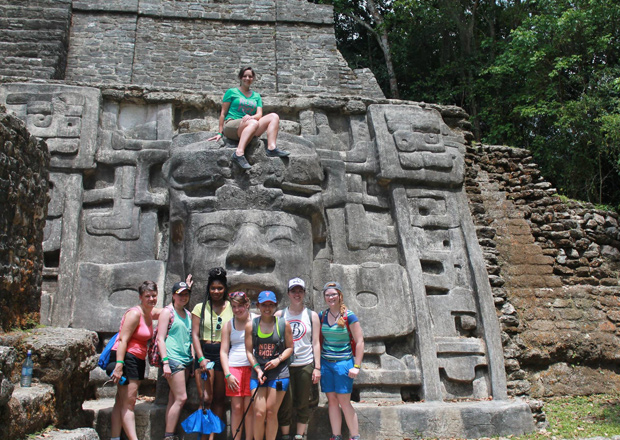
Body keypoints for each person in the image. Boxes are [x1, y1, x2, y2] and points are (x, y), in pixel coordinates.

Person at [208, 66, 289, 170]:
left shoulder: (256, 96)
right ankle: (238, 153)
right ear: (240, 77)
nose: (247, 78)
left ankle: (271, 148)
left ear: (253, 78)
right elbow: (223, 113)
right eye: (245, 76)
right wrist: (219, 132)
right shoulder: (231, 92)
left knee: (274, 116)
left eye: (250, 76)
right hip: (232, 124)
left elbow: (259, 115)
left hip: (250, 125)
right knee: (253, 123)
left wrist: (251, 117)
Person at [107, 281, 158, 440]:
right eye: (147, 296)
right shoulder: (135, 314)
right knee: (129, 403)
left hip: (137, 358)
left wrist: (184, 290)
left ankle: (115, 438)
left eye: (154, 295)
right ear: (140, 297)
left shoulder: (149, 312)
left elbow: (169, 309)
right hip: (127, 358)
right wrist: (119, 366)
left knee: (120, 401)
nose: (151, 299)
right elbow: (123, 340)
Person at [276, 277, 321, 440]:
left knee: (303, 402)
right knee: (285, 403)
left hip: (305, 363)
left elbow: (315, 342)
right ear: (288, 293)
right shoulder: (280, 314)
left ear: (304, 293)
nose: (297, 294)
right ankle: (285, 435)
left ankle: (299, 435)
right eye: (294, 291)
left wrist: (317, 367)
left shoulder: (311, 315)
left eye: (300, 291)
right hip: (285, 366)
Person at [245, 290, 294, 440]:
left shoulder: (283, 324)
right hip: (259, 372)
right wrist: (258, 370)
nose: (267, 308)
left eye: (271, 305)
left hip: (279, 372)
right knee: (259, 413)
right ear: (258, 305)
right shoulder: (251, 326)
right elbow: (249, 351)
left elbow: (290, 348)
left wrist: (278, 360)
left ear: (275, 305)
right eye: (264, 305)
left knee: (272, 412)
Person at [191, 267, 233, 439]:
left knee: (219, 400)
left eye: (220, 288)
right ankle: (202, 436)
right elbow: (194, 334)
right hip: (204, 351)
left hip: (223, 353)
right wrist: (200, 357)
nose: (216, 291)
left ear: (225, 289)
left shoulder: (231, 306)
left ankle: (213, 437)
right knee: (205, 399)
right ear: (208, 289)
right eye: (213, 288)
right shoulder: (200, 307)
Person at [319, 282, 365, 440]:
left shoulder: (348, 315)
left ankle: (354, 436)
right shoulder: (322, 315)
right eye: (327, 295)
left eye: (333, 294)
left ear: (340, 296)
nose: (331, 297)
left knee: (344, 401)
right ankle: (336, 435)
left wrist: (357, 366)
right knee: (331, 400)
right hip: (326, 363)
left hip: (343, 363)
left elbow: (360, 342)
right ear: (324, 297)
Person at [157, 281, 193, 440]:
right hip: (172, 359)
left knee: (173, 398)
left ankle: (169, 433)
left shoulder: (189, 314)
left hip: (185, 360)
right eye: (180, 294)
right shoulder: (167, 312)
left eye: (186, 294)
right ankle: (169, 435)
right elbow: (160, 339)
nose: (183, 297)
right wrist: (165, 362)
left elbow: (190, 338)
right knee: (181, 397)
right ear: (173, 295)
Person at [220, 291, 256, 440]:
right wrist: (227, 373)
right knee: (236, 408)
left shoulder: (256, 320)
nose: (237, 310)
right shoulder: (228, 324)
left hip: (252, 367)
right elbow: (223, 351)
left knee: (250, 408)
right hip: (234, 367)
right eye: (234, 307)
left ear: (247, 305)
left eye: (240, 306)